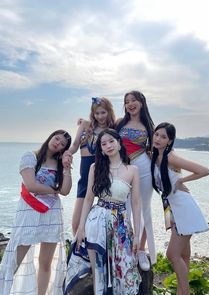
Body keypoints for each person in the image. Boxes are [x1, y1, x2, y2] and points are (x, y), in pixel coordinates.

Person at [0, 130, 72, 295]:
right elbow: (31, 185)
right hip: (29, 213)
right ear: (50, 137)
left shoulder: (58, 164)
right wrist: (54, 189)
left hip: (52, 214)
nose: (58, 143)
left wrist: (67, 168)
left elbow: (65, 190)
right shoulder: (31, 156)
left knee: (46, 262)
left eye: (63, 144)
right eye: (57, 138)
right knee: (14, 260)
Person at [64, 129, 141, 295]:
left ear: (119, 143)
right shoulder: (95, 167)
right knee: (98, 272)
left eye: (111, 141)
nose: (108, 146)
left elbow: (136, 204)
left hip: (120, 224)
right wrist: (81, 228)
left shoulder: (132, 170)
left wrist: (137, 235)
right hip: (96, 222)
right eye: (103, 144)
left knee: (124, 268)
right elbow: (88, 199)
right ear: (101, 149)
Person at [151, 122, 209, 295]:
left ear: (169, 141)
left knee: (172, 255)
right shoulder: (155, 157)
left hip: (185, 209)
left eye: (163, 137)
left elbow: (204, 170)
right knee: (183, 256)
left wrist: (181, 181)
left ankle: (185, 292)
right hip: (175, 211)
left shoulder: (171, 157)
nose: (158, 139)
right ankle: (181, 292)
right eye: (156, 135)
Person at [116, 90, 156, 271]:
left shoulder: (149, 125)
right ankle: (126, 248)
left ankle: (141, 249)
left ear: (141, 102)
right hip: (122, 168)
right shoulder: (120, 123)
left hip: (144, 167)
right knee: (124, 208)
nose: (130, 104)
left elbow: (160, 147)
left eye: (134, 100)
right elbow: (102, 132)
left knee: (144, 208)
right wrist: (83, 124)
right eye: (127, 101)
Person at [65, 97, 115, 235]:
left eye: (103, 112)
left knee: (102, 225)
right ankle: (78, 252)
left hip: (104, 175)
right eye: (97, 113)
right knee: (76, 224)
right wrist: (67, 153)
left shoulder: (112, 129)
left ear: (109, 111)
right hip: (85, 178)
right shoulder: (86, 125)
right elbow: (75, 145)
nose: (100, 116)